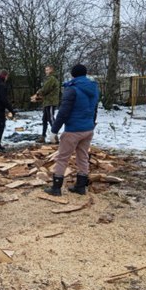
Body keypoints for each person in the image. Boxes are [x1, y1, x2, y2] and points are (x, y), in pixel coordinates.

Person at [44, 64, 100, 196]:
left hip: (73, 130)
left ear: (73, 75)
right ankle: (80, 187)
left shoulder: (72, 89)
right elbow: (94, 109)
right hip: (88, 129)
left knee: (62, 157)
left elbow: (63, 112)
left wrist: (54, 130)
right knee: (83, 157)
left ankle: (56, 188)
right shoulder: (94, 88)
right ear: (85, 74)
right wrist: (91, 123)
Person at [33, 65, 61, 144]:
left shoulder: (51, 79)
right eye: (45, 70)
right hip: (47, 102)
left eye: (47, 70)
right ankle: (43, 136)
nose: (46, 71)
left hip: (51, 102)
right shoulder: (49, 79)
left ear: (51, 70)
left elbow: (45, 89)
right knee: (44, 119)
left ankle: (55, 137)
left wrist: (37, 93)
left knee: (51, 119)